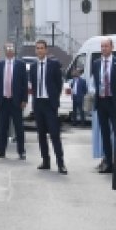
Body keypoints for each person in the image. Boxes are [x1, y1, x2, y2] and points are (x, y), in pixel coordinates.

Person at [29, 39, 65, 174]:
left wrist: (54, 100)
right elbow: (32, 83)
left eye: (41, 48)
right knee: (41, 135)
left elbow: (58, 84)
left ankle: (61, 163)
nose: (39, 50)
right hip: (38, 104)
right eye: (37, 48)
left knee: (55, 134)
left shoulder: (53, 65)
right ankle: (46, 161)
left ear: (46, 50)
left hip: (50, 104)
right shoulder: (33, 67)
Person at [91, 37, 116, 174]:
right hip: (101, 101)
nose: (104, 48)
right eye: (102, 46)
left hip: (114, 101)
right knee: (104, 133)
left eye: (106, 46)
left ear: (112, 47)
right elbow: (95, 82)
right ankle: (108, 161)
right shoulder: (96, 63)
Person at [0, 43, 27, 160]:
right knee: (2, 127)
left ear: (14, 51)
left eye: (11, 49)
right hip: (3, 101)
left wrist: (24, 99)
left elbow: (24, 84)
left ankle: (21, 151)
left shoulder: (20, 65)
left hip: (16, 101)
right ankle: (1, 151)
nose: (9, 51)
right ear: (5, 51)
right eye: (7, 49)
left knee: (19, 127)